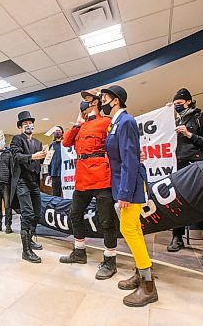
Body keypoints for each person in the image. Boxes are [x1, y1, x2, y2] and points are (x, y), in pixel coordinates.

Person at [102, 85, 158, 307]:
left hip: (131, 186)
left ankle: (149, 286)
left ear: (115, 101)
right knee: (133, 229)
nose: (102, 102)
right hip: (123, 184)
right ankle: (140, 272)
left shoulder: (126, 122)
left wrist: (125, 192)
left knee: (128, 229)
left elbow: (129, 160)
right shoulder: (115, 124)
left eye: (105, 98)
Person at [59, 90, 120, 280]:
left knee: (106, 220)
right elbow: (67, 142)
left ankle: (110, 260)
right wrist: (78, 121)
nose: (84, 104)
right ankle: (79, 252)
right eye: (83, 102)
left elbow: (116, 145)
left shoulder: (106, 122)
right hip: (82, 177)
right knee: (74, 214)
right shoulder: (81, 126)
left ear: (97, 103)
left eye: (88, 101)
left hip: (101, 176)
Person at [166, 88, 203, 262]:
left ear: (189, 101)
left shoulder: (202, 118)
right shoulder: (175, 120)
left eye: (179, 104)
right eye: (175, 105)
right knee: (178, 203)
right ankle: (177, 237)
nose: (177, 107)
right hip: (180, 166)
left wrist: (189, 134)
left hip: (198, 165)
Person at [10, 111, 47, 263]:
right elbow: (17, 157)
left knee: (37, 213)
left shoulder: (38, 142)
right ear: (20, 127)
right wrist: (33, 156)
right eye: (25, 124)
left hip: (34, 182)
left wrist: (45, 156)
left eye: (30, 123)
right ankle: (26, 251)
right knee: (27, 214)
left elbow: (40, 162)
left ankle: (30, 240)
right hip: (22, 182)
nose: (28, 126)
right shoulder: (17, 139)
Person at [47, 126, 64, 197]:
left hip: (64, 173)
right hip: (54, 174)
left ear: (62, 133)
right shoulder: (51, 146)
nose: (57, 132)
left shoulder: (65, 144)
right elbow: (48, 161)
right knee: (55, 194)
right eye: (56, 131)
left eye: (59, 130)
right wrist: (49, 174)